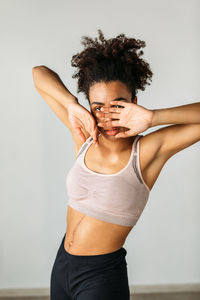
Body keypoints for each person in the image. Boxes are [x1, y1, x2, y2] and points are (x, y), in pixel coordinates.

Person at [32, 29, 200, 300]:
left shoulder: (147, 151)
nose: (108, 118)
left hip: (100, 277)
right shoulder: (85, 136)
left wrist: (154, 117)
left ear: (135, 103)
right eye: (98, 107)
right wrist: (72, 105)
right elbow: (38, 73)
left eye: (119, 106)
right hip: (62, 264)